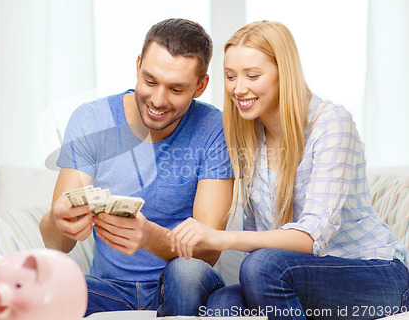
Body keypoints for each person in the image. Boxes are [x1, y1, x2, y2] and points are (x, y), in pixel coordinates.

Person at [168, 20, 409, 320]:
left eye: (252, 75)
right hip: (297, 277)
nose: (238, 88)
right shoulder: (248, 137)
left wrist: (219, 237)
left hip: (377, 275)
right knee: (221, 305)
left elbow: (310, 239)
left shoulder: (332, 124)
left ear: (285, 73)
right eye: (230, 76)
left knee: (260, 267)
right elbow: (263, 242)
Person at [39, 18, 234, 317]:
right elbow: (58, 243)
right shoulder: (92, 119)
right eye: (150, 81)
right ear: (138, 65)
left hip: (179, 286)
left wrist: (148, 238)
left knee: (186, 274)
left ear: (201, 86)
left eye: (176, 89)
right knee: (49, 285)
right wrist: (59, 221)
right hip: (110, 289)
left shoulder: (213, 128)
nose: (157, 100)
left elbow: (208, 251)